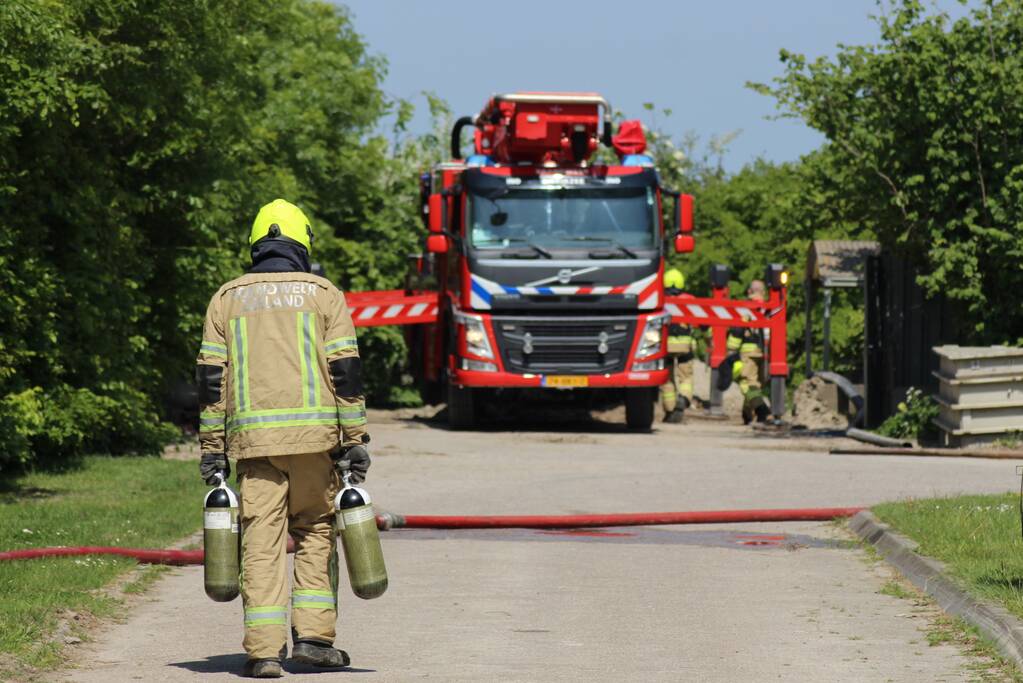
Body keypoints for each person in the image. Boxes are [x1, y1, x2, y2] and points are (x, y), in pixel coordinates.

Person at [195, 199, 371, 678]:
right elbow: (346, 373)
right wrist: (354, 438)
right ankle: (314, 640)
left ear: (257, 245)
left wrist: (212, 451)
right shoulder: (323, 293)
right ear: (302, 243)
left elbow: (212, 382)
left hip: (255, 449)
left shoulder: (226, 299)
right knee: (315, 530)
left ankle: (264, 651)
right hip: (316, 443)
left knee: (261, 542)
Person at [726, 279, 771, 424]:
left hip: (748, 352)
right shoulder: (770, 307)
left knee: (748, 384)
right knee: (757, 385)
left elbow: (737, 330)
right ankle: (747, 414)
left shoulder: (745, 308)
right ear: (763, 292)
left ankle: (761, 410)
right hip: (766, 352)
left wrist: (731, 351)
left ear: (750, 291)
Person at [660, 268, 695, 423]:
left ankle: (670, 411)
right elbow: (699, 323)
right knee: (686, 377)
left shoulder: (659, 299)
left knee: (666, 379)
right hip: (685, 346)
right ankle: (684, 399)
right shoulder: (690, 299)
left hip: (665, 345)